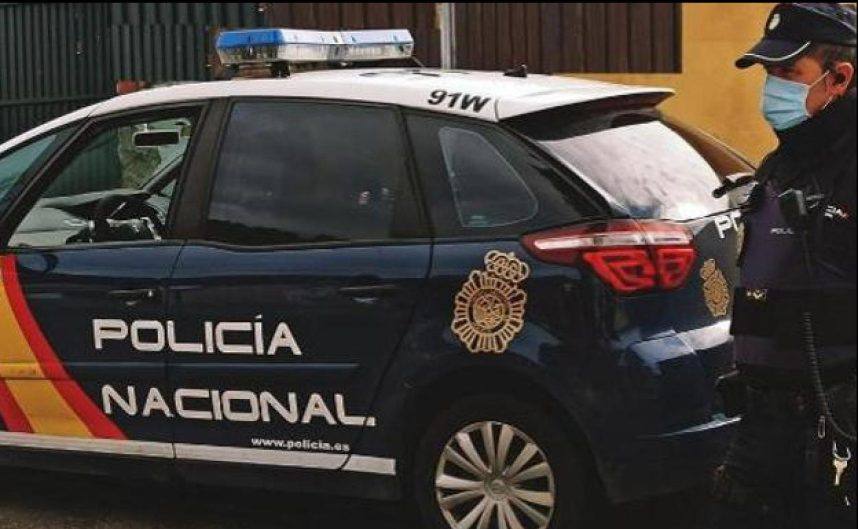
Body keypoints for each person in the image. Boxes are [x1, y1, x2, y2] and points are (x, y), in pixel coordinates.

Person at [705, 3, 856, 529]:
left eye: (789, 73)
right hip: (762, 423)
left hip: (838, 424)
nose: (774, 88)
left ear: (839, 79)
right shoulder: (782, 163)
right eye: (769, 73)